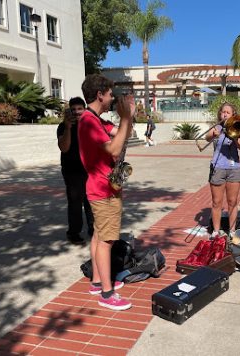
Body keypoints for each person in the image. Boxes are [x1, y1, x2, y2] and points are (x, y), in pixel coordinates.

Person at [78, 74, 135, 311]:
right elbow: (114, 147)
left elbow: (124, 136)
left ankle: (96, 282)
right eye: (110, 94)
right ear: (100, 94)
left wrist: (128, 118)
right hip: (103, 189)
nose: (112, 98)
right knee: (107, 240)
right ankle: (107, 293)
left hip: (102, 186)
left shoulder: (95, 119)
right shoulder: (89, 121)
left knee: (98, 236)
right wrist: (124, 117)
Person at [57, 97, 94, 245]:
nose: (77, 112)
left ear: (84, 109)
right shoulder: (63, 126)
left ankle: (93, 229)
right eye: (74, 110)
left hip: (89, 169)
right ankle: (74, 233)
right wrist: (67, 127)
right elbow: (64, 147)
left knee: (91, 200)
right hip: (72, 171)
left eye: (80, 109)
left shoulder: (89, 125)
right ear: (69, 111)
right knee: (75, 203)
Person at [206, 102, 240, 239]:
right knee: (217, 202)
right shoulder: (216, 127)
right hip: (218, 168)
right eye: (223, 112)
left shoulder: (238, 127)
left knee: (232, 202)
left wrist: (233, 135)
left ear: (233, 115)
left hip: (234, 168)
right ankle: (216, 231)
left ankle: (232, 230)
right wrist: (214, 135)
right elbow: (207, 138)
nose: (225, 114)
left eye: (228, 112)